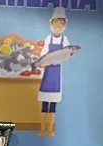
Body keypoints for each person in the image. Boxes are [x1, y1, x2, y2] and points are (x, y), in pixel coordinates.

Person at [38, 8, 70, 138]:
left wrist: (57, 61)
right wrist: (43, 61)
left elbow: (66, 55)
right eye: (55, 23)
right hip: (47, 73)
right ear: (51, 24)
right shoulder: (48, 38)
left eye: (60, 23)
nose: (57, 26)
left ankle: (50, 129)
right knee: (45, 102)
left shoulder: (64, 40)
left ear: (64, 25)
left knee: (53, 103)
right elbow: (44, 52)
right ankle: (42, 129)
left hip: (56, 74)